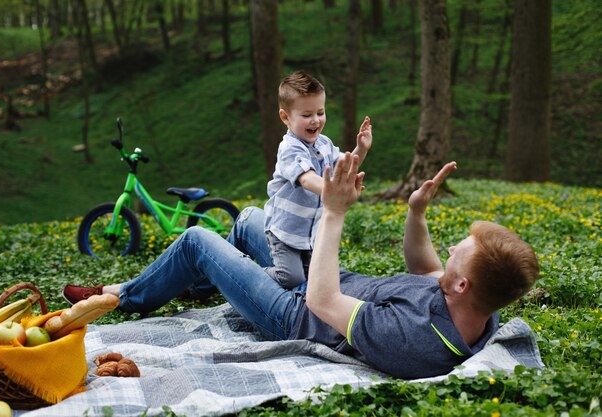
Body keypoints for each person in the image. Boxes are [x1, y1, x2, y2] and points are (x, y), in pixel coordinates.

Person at [63, 154, 539, 379]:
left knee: (196, 239)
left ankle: (123, 294)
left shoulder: (415, 341)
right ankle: (202, 281)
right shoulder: (476, 303)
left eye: (460, 250)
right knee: (251, 219)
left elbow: (321, 300)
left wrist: (333, 212)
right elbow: (425, 269)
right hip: (315, 286)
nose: (451, 248)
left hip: (295, 313)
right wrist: (416, 212)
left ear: (461, 284)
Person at [263, 70, 372, 289]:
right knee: (291, 279)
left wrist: (362, 147)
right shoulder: (290, 149)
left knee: (315, 278)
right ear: (285, 117)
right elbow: (306, 179)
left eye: (320, 112)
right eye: (306, 115)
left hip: (311, 233)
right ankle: (250, 273)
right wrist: (333, 193)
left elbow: (345, 166)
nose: (315, 120)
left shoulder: (324, 143)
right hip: (286, 231)